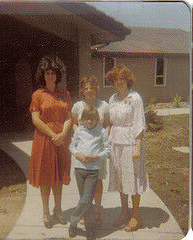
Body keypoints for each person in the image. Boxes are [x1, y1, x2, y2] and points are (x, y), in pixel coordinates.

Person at [29, 55, 72, 229]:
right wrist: (53, 135)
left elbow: (69, 116)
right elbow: (35, 119)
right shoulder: (38, 95)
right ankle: (46, 211)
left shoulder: (65, 94)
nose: (50, 76)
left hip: (62, 141)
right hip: (44, 141)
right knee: (46, 177)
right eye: (47, 72)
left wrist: (62, 134)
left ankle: (58, 210)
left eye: (53, 72)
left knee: (59, 177)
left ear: (57, 75)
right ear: (43, 74)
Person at [106, 64, 149, 232]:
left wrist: (137, 147)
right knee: (120, 179)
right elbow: (109, 122)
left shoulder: (135, 98)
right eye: (116, 79)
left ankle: (136, 216)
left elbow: (139, 123)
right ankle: (124, 213)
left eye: (122, 78)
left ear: (127, 80)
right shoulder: (113, 99)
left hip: (131, 143)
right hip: (116, 143)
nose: (119, 82)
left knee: (133, 179)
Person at [71, 76, 109, 225]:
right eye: (86, 88)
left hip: (97, 151)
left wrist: (103, 140)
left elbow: (107, 125)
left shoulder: (104, 106)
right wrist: (81, 137)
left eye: (92, 87)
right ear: (82, 91)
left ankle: (97, 212)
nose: (89, 90)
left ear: (97, 89)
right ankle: (85, 211)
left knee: (98, 180)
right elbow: (74, 125)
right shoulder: (77, 106)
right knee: (83, 182)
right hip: (83, 151)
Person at [69, 106, 111, 239]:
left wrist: (96, 157)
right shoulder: (80, 131)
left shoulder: (102, 132)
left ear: (97, 120)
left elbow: (107, 150)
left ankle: (73, 222)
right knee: (85, 201)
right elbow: (72, 146)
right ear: (82, 120)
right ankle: (90, 229)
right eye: (86, 119)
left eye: (92, 120)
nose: (89, 122)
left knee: (87, 199)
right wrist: (78, 155)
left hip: (93, 170)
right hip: (80, 168)